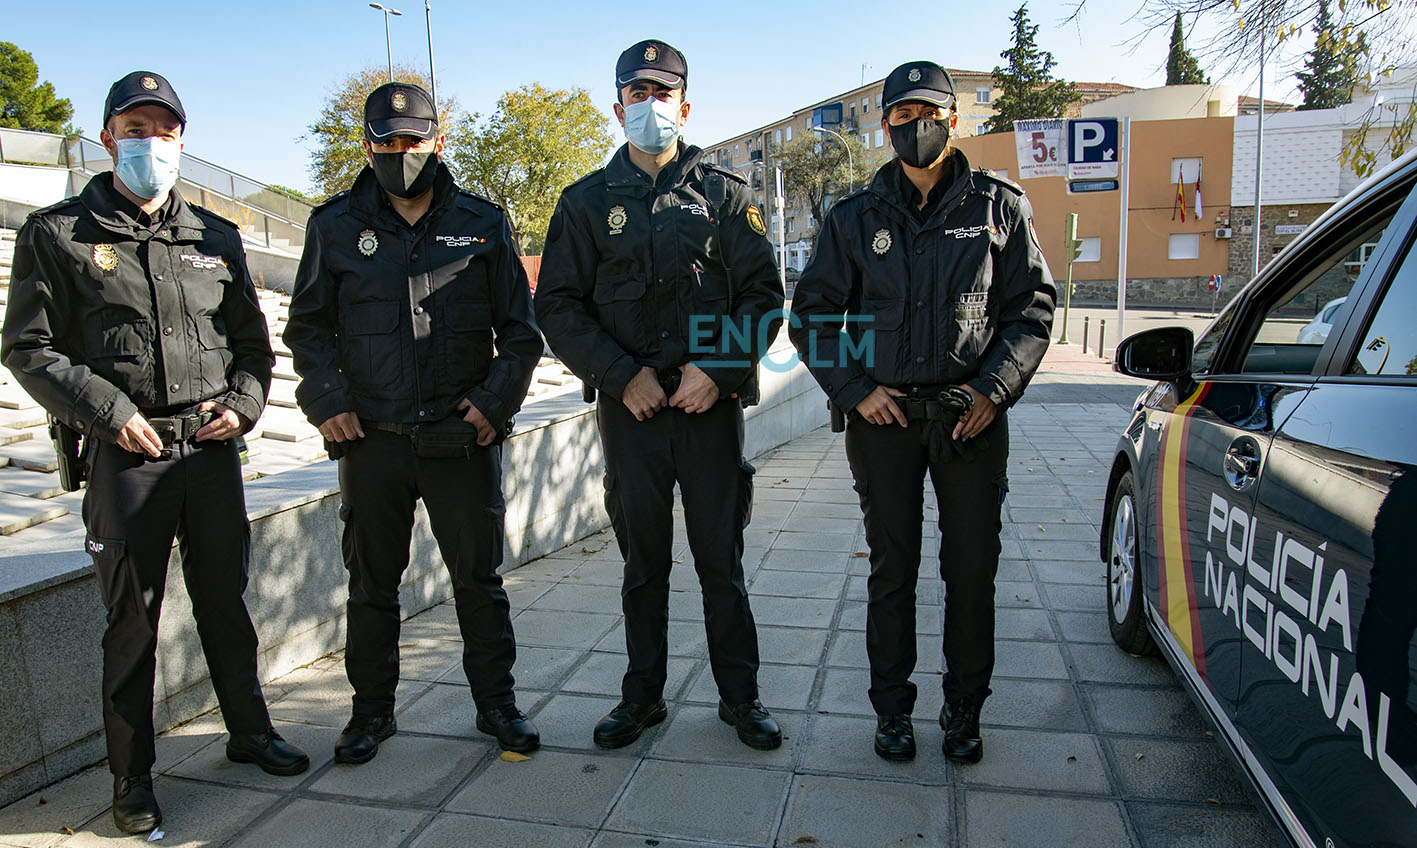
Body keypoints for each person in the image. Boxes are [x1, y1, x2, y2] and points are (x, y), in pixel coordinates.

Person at [1, 71, 308, 834]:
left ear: (181, 141)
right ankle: (131, 779)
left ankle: (249, 732)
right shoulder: (58, 233)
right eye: (135, 129)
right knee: (132, 622)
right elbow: (28, 349)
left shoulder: (215, 234)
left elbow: (251, 346)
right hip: (127, 458)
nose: (150, 143)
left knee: (225, 602)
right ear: (107, 137)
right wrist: (109, 414)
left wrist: (241, 408)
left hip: (208, 454)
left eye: (163, 132)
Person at [789, 61, 1055, 764]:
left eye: (926, 113)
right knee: (891, 571)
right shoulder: (853, 218)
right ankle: (892, 712)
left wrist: (993, 390)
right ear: (885, 127)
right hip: (886, 424)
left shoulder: (998, 206)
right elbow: (812, 316)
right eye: (900, 117)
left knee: (970, 572)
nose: (914, 128)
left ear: (953, 118)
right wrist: (854, 389)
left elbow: (1030, 311)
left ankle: (963, 711)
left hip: (970, 422)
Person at [535, 40, 785, 750]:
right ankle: (641, 699)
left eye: (661, 92)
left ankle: (741, 700)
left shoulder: (726, 196)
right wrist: (621, 375)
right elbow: (558, 306)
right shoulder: (585, 203)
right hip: (633, 412)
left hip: (709, 409)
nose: (649, 106)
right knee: (642, 564)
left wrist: (721, 368)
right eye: (636, 95)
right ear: (617, 109)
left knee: (719, 561)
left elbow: (764, 295)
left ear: (685, 104)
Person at [284, 81, 543, 765]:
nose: (401, 153)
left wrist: (492, 405)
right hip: (372, 443)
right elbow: (307, 330)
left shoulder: (484, 222)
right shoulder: (332, 225)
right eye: (387, 142)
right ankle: (370, 714)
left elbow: (520, 334)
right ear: (367, 145)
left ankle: (497, 707)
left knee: (478, 583)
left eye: (414, 140)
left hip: (460, 441)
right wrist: (326, 398)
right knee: (371, 588)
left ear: (438, 139)